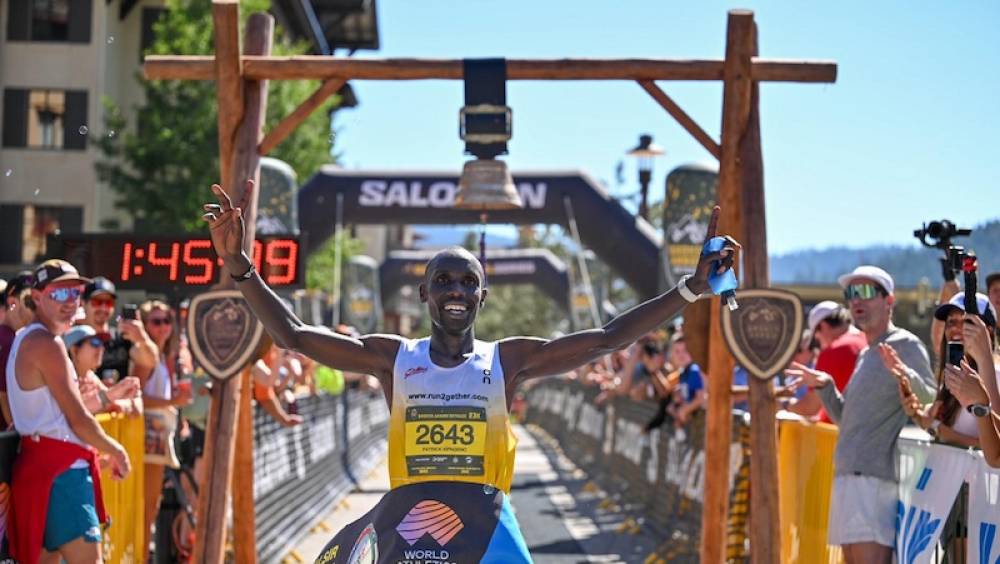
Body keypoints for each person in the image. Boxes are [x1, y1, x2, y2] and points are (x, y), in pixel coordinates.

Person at [203, 181, 738, 561]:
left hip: (486, 532)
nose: (455, 291)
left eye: (466, 282)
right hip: (410, 527)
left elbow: (606, 339)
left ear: (482, 295)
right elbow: (293, 336)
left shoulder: (506, 360)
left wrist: (690, 287)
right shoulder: (395, 358)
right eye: (444, 281)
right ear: (424, 293)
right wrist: (239, 268)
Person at [788, 265, 935, 564]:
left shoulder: (905, 345)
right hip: (848, 478)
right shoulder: (867, 353)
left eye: (866, 291)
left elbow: (932, 400)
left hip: (873, 481)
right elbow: (847, 420)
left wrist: (904, 373)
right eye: (851, 293)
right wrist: (826, 386)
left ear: (889, 301)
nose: (856, 300)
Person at [6, 259, 131, 564]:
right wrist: (117, 450)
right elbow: (77, 419)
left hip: (42, 468)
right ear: (37, 297)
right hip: (60, 472)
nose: (70, 302)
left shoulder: (29, 337)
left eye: (74, 293)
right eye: (59, 294)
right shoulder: (46, 343)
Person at [136, 299, 193, 560]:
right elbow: (135, 397)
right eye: (156, 321)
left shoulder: (161, 356)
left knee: (151, 507)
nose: (163, 327)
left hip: (158, 441)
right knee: (145, 508)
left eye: (166, 321)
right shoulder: (144, 356)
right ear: (144, 325)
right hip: (146, 441)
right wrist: (173, 402)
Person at [80, 277, 158, 385]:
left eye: (108, 303)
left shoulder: (123, 337)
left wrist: (141, 338)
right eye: (97, 302)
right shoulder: (75, 339)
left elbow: (151, 362)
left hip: (120, 401)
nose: (103, 308)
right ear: (83, 303)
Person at [806, 300, 868, 423]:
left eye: (816, 337)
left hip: (838, 436)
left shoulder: (833, 351)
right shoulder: (870, 342)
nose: (818, 342)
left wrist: (782, 405)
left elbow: (810, 407)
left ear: (823, 326)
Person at [62, 325, 142, 415]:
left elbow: (114, 403)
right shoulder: (63, 379)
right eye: (95, 343)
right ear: (74, 350)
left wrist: (130, 399)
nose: (102, 348)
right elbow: (73, 413)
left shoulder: (90, 376)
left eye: (102, 344)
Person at [0, 271, 35, 428]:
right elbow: (3, 394)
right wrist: (14, 431)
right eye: (29, 302)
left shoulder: (12, 338)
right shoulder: (10, 342)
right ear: (12, 302)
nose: (35, 310)